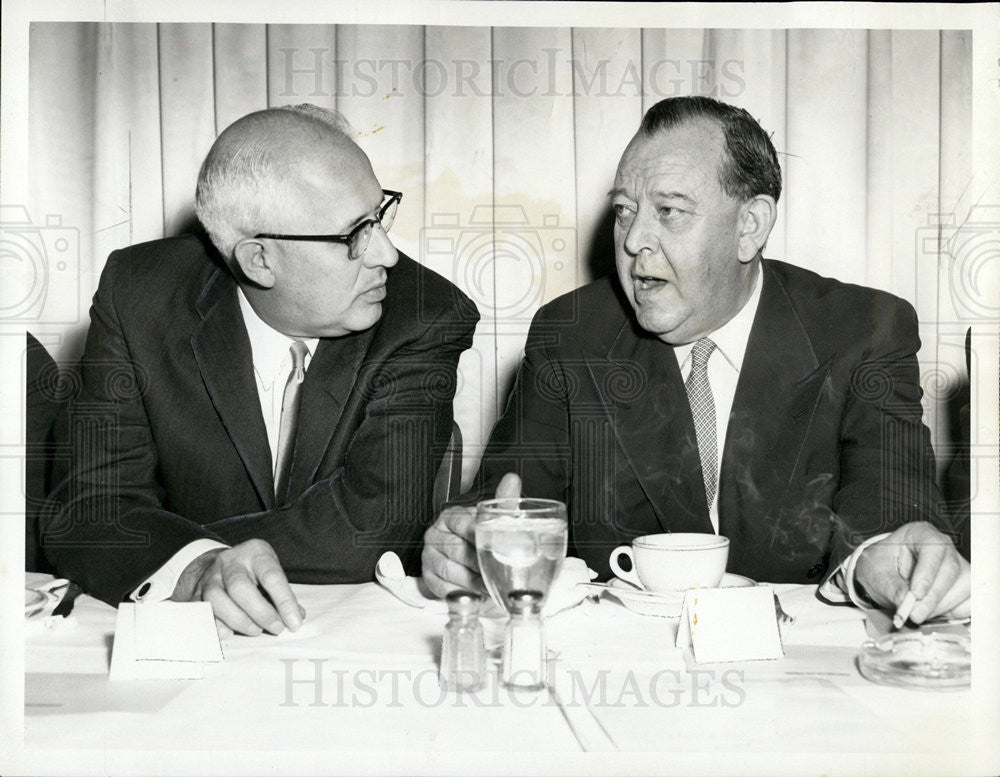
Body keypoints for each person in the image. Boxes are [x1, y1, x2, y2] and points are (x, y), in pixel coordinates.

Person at [422, 96, 969, 625]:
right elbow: (510, 502)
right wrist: (466, 540)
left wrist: (882, 553)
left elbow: (891, 494)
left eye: (669, 211)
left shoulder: (862, 330)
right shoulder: (571, 336)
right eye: (624, 212)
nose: (635, 239)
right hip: (621, 668)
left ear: (749, 226)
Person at [43, 104, 479, 636]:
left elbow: (369, 528)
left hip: (346, 636)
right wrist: (198, 568)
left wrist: (181, 552)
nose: (387, 254)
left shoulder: (424, 314)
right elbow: (88, 504)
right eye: (355, 235)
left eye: (380, 213)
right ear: (259, 261)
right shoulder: (138, 295)